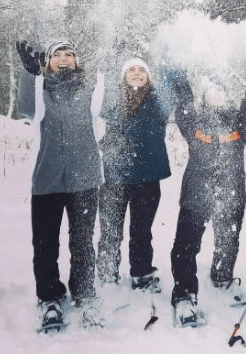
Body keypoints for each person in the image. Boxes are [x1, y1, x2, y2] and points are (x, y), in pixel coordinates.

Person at [167, 59, 246, 327]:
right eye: (211, 89)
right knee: (185, 247)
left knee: (228, 242)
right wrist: (179, 71)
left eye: (221, 89)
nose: (217, 93)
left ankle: (222, 277)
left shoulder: (239, 124)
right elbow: (183, 101)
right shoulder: (194, 122)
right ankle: (184, 294)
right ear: (204, 95)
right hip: (196, 196)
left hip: (231, 195)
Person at [16, 40, 106, 329]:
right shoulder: (41, 91)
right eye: (57, 55)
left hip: (85, 181)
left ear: (76, 61)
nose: (64, 59)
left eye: (69, 54)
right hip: (47, 181)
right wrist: (30, 74)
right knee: (45, 245)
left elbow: (108, 102)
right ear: (49, 61)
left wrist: (110, 64)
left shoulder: (88, 90)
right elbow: (28, 110)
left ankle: (84, 293)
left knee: (82, 244)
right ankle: (50, 298)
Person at [97, 57, 171, 292]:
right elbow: (99, 97)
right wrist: (110, 61)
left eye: (142, 70)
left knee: (141, 232)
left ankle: (142, 275)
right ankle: (107, 275)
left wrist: (169, 58)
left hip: (147, 179)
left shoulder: (158, 101)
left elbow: (173, 90)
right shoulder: (112, 100)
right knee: (110, 230)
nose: (137, 73)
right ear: (123, 76)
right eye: (131, 70)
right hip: (114, 178)